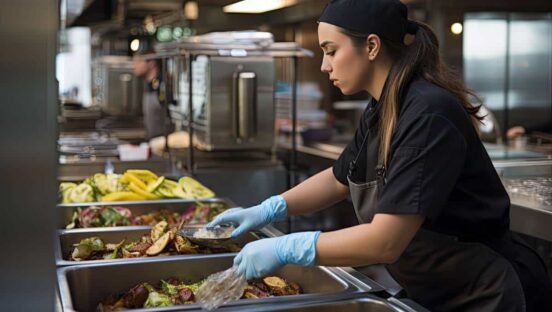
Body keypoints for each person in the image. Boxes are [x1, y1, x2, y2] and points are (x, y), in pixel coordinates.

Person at [209, 0, 552, 311]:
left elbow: (386, 241)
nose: (326, 66)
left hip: (488, 294)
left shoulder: (427, 114)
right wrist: (269, 208)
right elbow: (339, 178)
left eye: (331, 51)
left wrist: (289, 248)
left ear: (371, 46)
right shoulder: (382, 107)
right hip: (436, 291)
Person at [132, 50, 173, 140]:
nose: (134, 66)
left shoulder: (162, 86)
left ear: (151, 63)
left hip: (163, 142)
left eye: (138, 62)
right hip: (151, 140)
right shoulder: (146, 84)